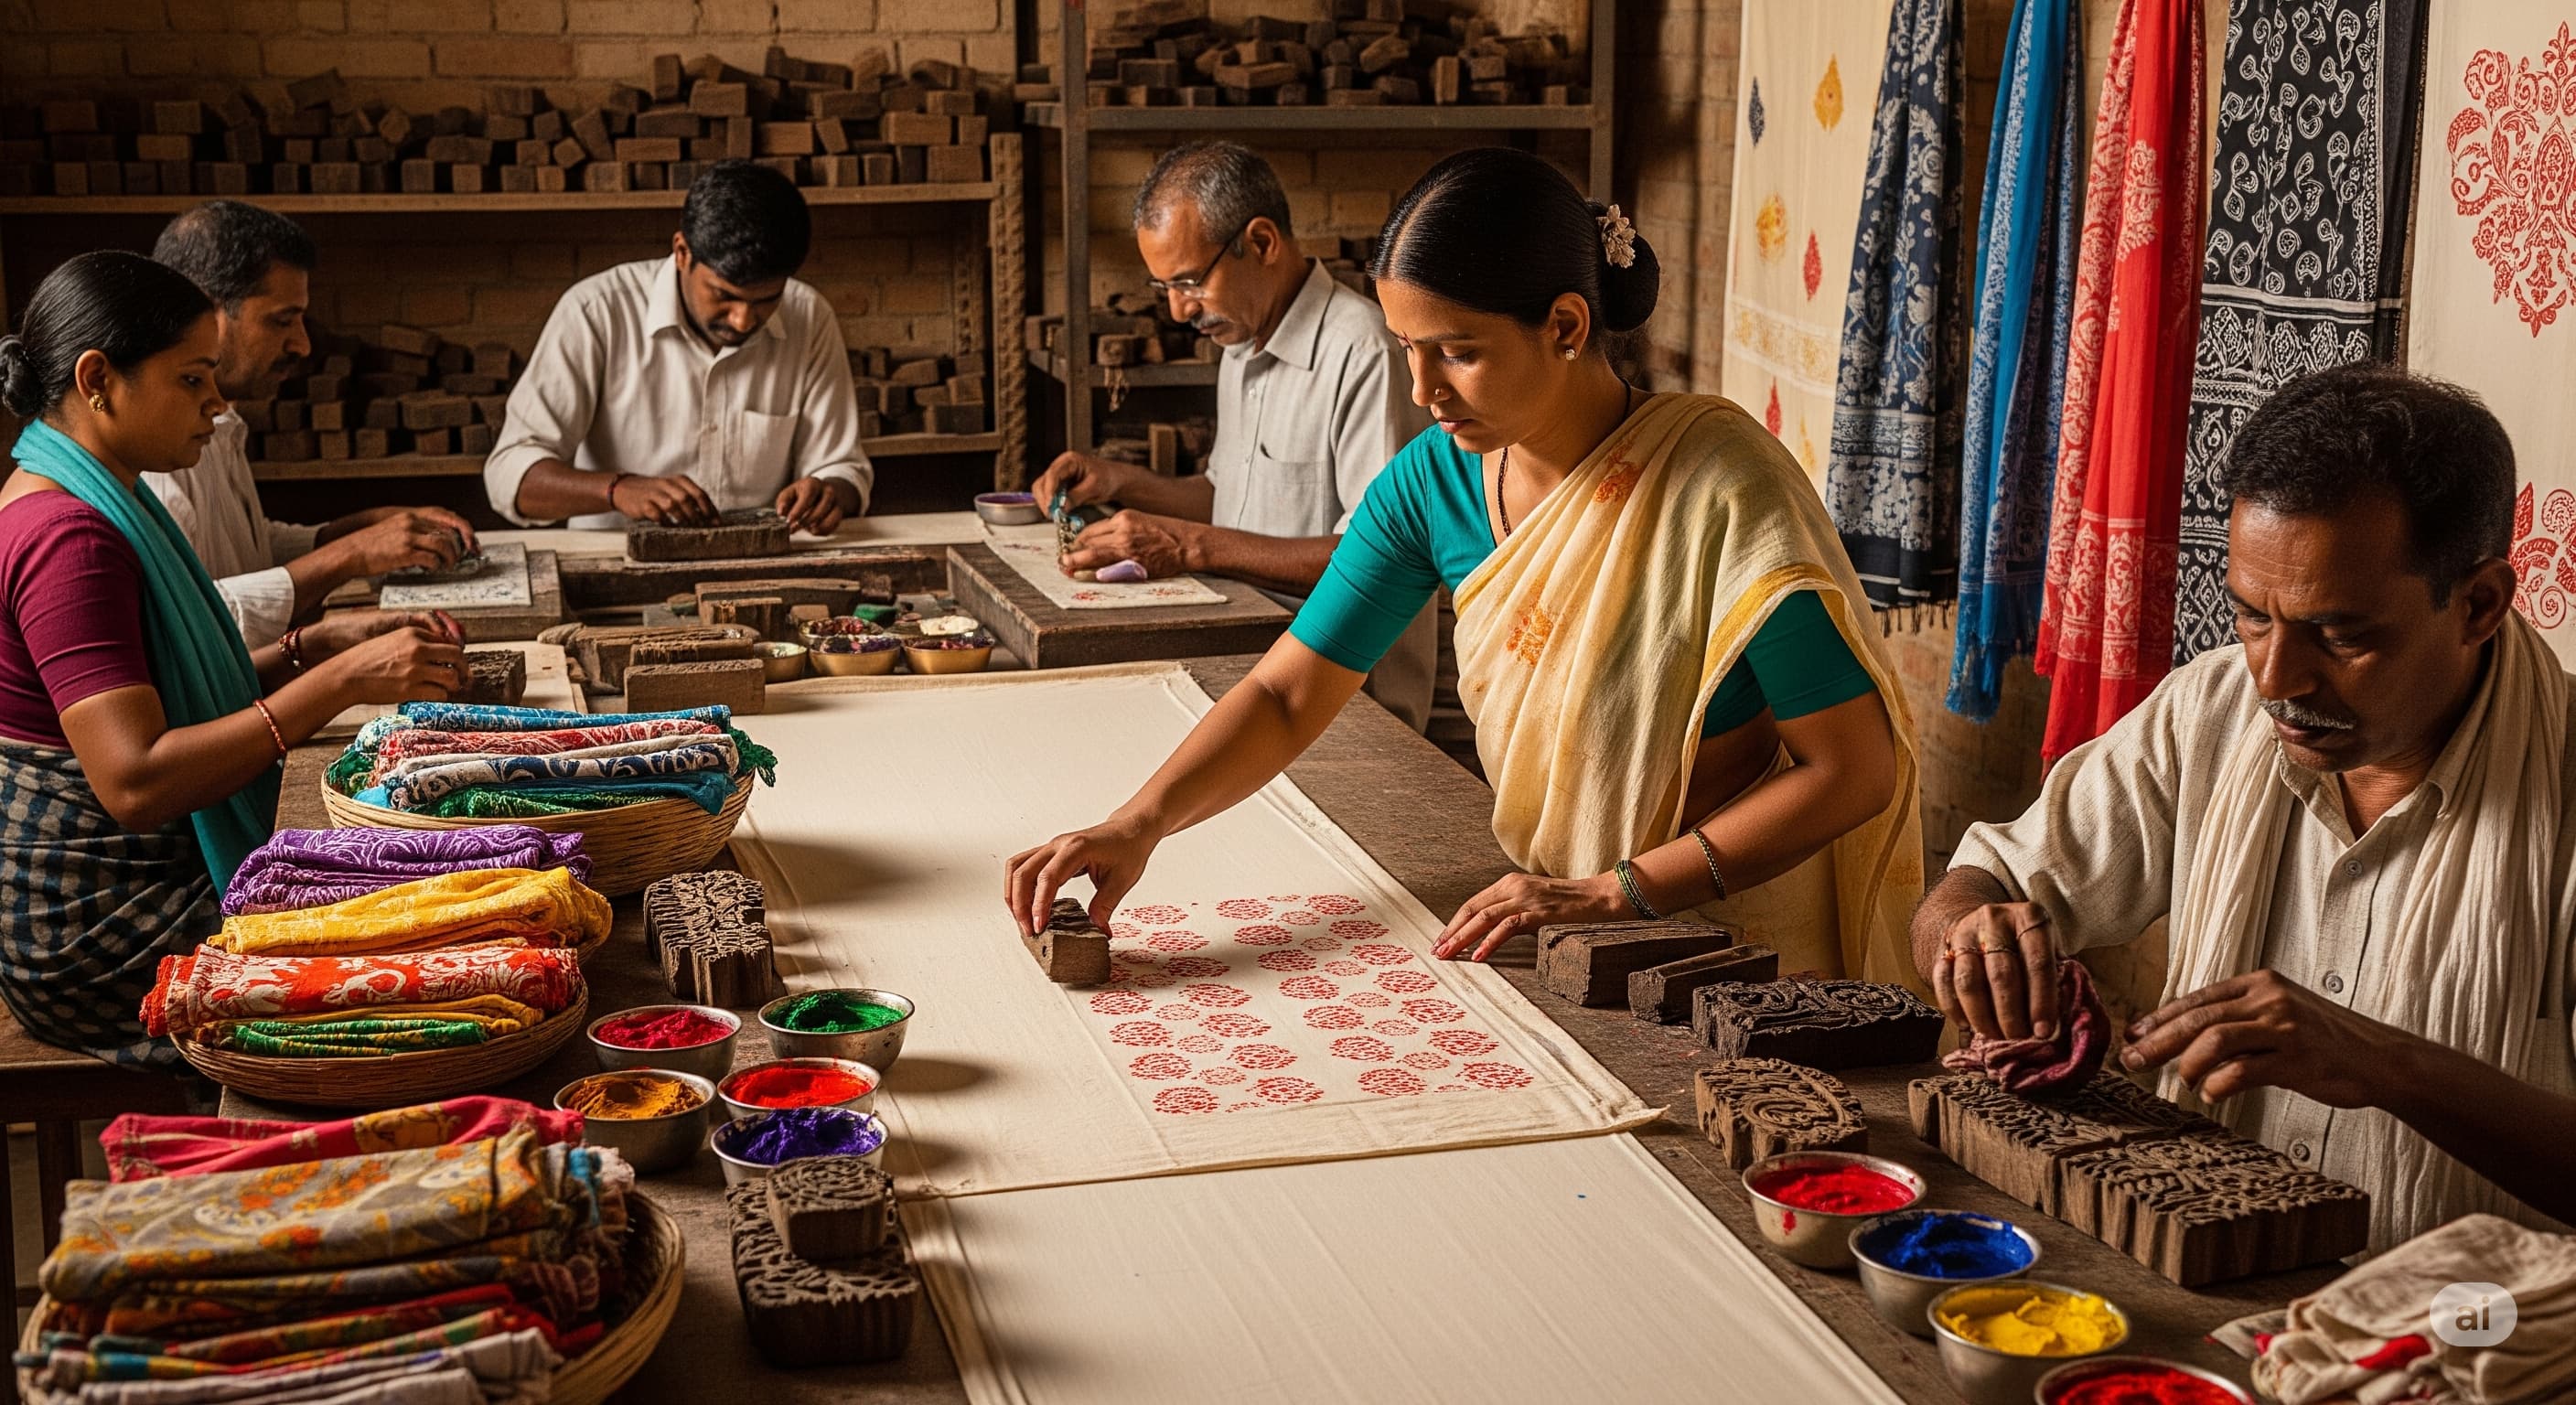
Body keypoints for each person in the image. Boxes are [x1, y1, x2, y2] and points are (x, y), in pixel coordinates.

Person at [1008, 148, 1925, 981]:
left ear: (1565, 326)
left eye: (1458, 352)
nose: (1423, 391)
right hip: (1566, 930)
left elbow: (1850, 771)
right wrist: (1138, 825)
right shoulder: (1433, 484)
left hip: (1734, 946)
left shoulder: (1723, 487)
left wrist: (1616, 892)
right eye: (1409, 349)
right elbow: (1289, 694)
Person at [1913, 364, 2576, 1249]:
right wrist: (1974, 939)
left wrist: (2387, 1066)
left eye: (2338, 635)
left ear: (2479, 604)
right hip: (2204, 1277)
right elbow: (1979, 881)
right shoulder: (2212, 710)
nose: (2276, 679)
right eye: (2252, 617)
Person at [0, 252, 464, 1067]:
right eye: (191, 380)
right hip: (101, 925)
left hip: (122, 884)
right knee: (443, 933)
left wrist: (311, 646)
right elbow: (137, 781)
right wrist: (340, 682)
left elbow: (162, 694)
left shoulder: (82, 493)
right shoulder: (67, 537)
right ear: (98, 379)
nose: (216, 404)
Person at [1029, 143, 1437, 732]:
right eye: (1164, 287)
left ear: (1262, 242)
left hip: (1347, 703)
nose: (1177, 310)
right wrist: (1120, 482)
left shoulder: (1365, 351)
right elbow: (1229, 499)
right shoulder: (1241, 340)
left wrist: (1188, 547)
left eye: (1190, 281)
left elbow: (1376, 560)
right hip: (1256, 668)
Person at [143, 201, 481, 649]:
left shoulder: (220, 420)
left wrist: (362, 529)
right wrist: (351, 553)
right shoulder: (155, 454)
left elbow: (249, 549)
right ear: (203, 312)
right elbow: (190, 627)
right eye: (282, 321)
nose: (302, 345)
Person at [485, 159, 871, 534]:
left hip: (759, 561)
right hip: (613, 561)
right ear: (682, 252)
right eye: (724, 295)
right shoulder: (596, 311)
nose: (743, 320)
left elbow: (842, 468)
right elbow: (509, 474)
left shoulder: (809, 315)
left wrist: (829, 493)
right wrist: (617, 490)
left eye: (766, 300)